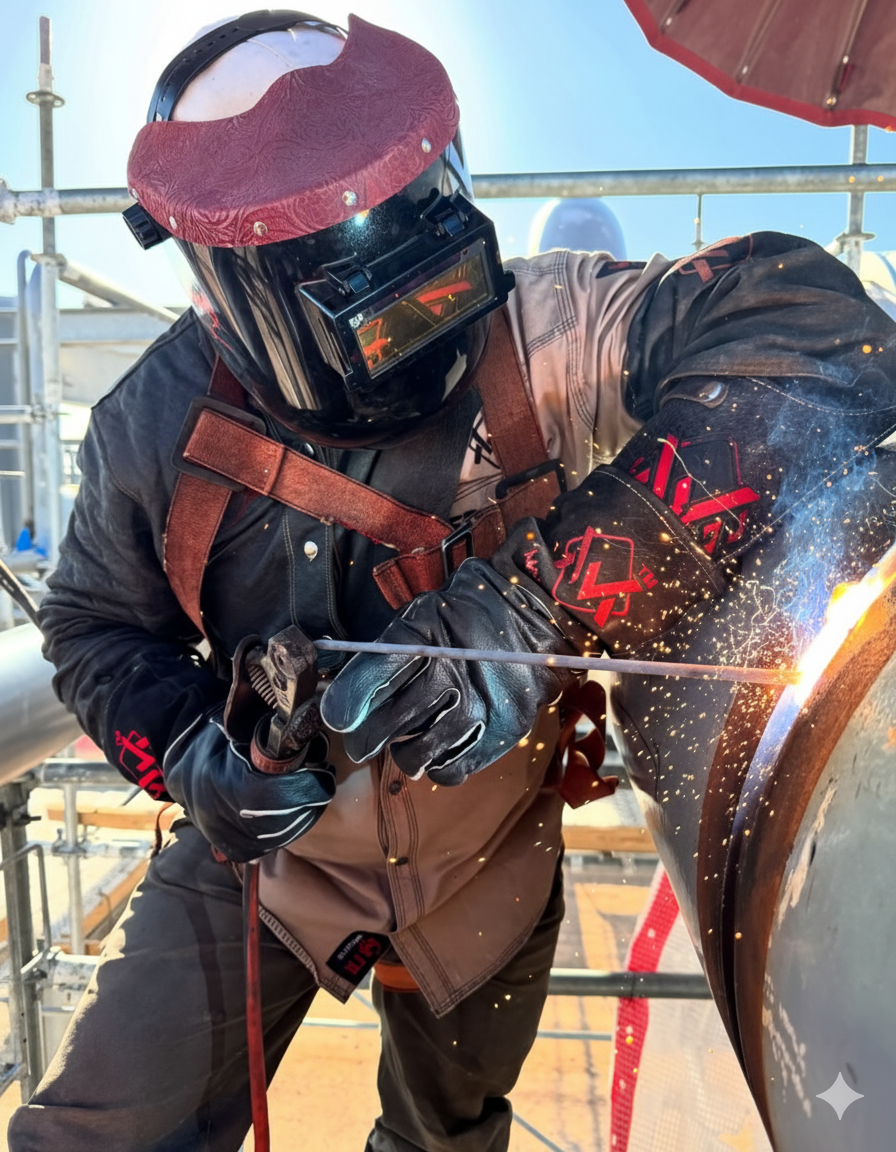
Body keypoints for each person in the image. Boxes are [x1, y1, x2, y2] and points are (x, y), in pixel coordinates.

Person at [10, 11, 896, 1152]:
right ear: (237, 286)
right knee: (96, 1138)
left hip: (488, 870)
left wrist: (533, 601)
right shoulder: (153, 426)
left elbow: (817, 330)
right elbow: (89, 628)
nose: (425, 336)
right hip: (264, 873)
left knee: (447, 1141)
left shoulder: (547, 325)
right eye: (370, 314)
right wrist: (190, 757)